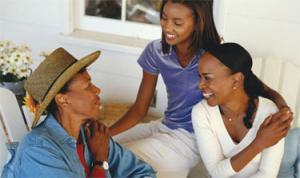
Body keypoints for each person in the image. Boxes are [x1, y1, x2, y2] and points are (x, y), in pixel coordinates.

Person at [110, 0, 292, 177]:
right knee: (103, 146)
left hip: (192, 138)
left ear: (197, 23)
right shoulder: (156, 52)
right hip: (165, 125)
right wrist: (105, 134)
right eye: (164, 18)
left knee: (119, 158)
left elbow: (255, 85)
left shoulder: (211, 57)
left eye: (177, 22)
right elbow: (140, 108)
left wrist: (283, 111)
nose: (167, 27)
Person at [1, 48, 156, 178]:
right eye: (88, 86)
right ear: (63, 100)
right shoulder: (38, 150)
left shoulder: (93, 134)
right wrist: (100, 159)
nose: (97, 90)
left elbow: (143, 172)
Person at [192, 43, 291, 178]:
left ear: (236, 80)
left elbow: (267, 174)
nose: (200, 85)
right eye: (200, 77)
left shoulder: (270, 114)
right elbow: (215, 172)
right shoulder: (201, 113)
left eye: (207, 78)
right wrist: (258, 144)